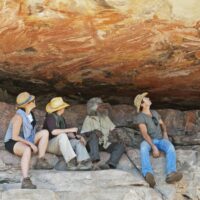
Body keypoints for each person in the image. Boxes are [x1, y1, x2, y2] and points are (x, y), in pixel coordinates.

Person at [4, 92, 52, 189]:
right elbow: (14, 136)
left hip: (26, 138)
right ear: (27, 104)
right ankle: (25, 180)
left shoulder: (30, 114)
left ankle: (40, 160)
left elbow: (31, 133)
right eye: (32, 100)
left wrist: (31, 142)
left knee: (45, 132)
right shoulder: (18, 117)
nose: (34, 101)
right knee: (26, 150)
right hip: (12, 141)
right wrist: (31, 144)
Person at [134, 92, 183, 188]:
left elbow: (162, 124)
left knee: (170, 147)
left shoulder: (154, 113)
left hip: (160, 139)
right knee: (143, 147)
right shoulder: (140, 117)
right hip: (149, 141)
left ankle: (171, 174)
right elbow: (144, 133)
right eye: (145, 98)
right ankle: (148, 174)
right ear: (142, 104)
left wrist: (165, 134)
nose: (148, 98)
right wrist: (153, 147)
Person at [43, 97, 91, 171]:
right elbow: (53, 132)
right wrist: (70, 129)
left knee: (77, 142)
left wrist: (77, 137)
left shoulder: (61, 118)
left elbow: (66, 133)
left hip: (61, 144)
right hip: (50, 144)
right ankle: (70, 161)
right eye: (63, 107)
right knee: (62, 136)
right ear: (60, 109)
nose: (64, 108)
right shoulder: (50, 117)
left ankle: (84, 162)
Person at [81, 97, 125, 170]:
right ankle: (95, 163)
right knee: (93, 135)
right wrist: (94, 131)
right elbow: (85, 134)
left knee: (120, 145)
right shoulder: (89, 118)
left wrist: (119, 139)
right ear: (94, 107)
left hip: (104, 144)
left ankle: (110, 164)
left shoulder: (105, 117)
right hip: (92, 145)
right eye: (100, 105)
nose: (103, 107)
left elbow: (113, 129)